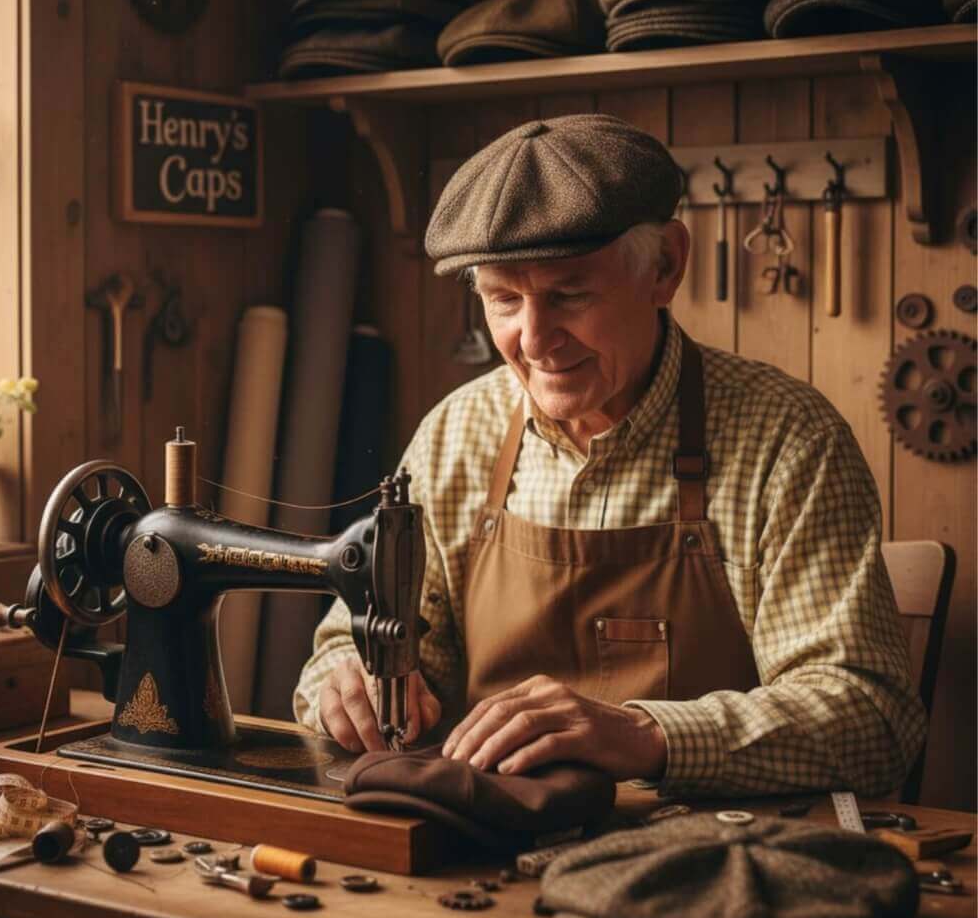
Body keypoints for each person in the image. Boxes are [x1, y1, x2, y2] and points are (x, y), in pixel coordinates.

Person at [293, 114, 924, 797]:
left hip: (711, 859)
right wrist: (347, 682)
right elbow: (348, 647)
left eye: (569, 295)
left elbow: (872, 720)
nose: (534, 341)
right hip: (493, 844)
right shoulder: (456, 435)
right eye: (504, 300)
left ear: (665, 267)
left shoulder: (784, 440)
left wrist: (646, 735)